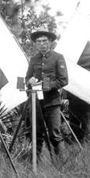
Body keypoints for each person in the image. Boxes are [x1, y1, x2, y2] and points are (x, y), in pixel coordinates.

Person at [25, 28, 68, 158]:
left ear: (50, 42)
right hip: (36, 102)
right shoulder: (33, 59)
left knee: (55, 134)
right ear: (36, 44)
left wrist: (48, 86)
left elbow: (64, 80)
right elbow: (27, 78)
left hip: (52, 102)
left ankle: (62, 168)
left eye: (45, 41)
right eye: (39, 41)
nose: (42, 44)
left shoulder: (58, 57)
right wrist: (29, 81)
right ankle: (34, 167)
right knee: (36, 134)